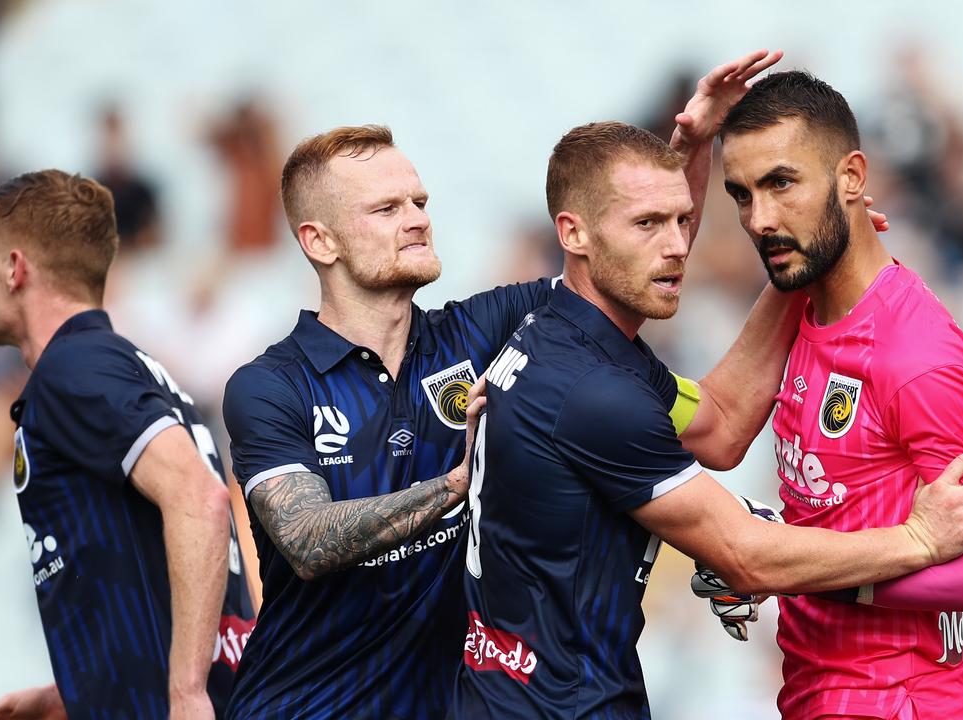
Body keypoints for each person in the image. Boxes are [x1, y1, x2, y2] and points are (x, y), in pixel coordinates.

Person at [220, 50, 817, 720]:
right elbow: (306, 539)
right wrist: (458, 482)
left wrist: (692, 145)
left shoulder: (485, 332)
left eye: (419, 200)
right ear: (319, 241)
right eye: (386, 208)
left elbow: (627, 253)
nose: (416, 217)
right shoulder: (269, 385)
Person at [446, 120, 963, 720]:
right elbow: (746, 555)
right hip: (562, 705)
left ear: (849, 180)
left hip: (890, 699)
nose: (675, 247)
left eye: (683, 221)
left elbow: (718, 424)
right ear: (573, 233)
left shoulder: (564, 340)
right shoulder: (598, 391)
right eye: (647, 224)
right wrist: (916, 540)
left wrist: (804, 254)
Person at [711, 70, 963, 719]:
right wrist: (780, 549)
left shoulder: (918, 354)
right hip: (816, 691)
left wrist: (788, 566)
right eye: (742, 194)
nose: (760, 218)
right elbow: (712, 421)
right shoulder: (799, 309)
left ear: (852, 177)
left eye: (781, 183)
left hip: (897, 700)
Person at [0, 170, 255, 719]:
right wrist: (75, 695)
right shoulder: (126, 368)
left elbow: (201, 499)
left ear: (15, 267)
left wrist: (187, 693)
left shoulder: (75, 368)